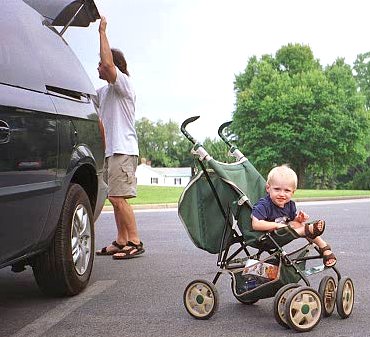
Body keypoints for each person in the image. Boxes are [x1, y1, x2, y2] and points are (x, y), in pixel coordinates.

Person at [95, 16, 144, 259]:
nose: (99, 67)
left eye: (102, 64)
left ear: (114, 65)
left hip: (123, 150)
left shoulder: (123, 85)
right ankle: (121, 240)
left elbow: (108, 63)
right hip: (111, 151)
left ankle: (135, 241)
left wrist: (102, 32)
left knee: (117, 196)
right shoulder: (103, 92)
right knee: (114, 198)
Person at [251, 165, 336, 267]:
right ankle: (308, 230)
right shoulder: (264, 205)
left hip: (283, 233)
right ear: (268, 188)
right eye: (277, 189)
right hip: (267, 238)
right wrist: (277, 225)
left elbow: (291, 221)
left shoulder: (290, 205)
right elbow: (256, 224)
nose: (282, 194)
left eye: (287, 191)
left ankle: (324, 248)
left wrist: (298, 218)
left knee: (298, 223)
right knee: (302, 228)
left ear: (293, 192)